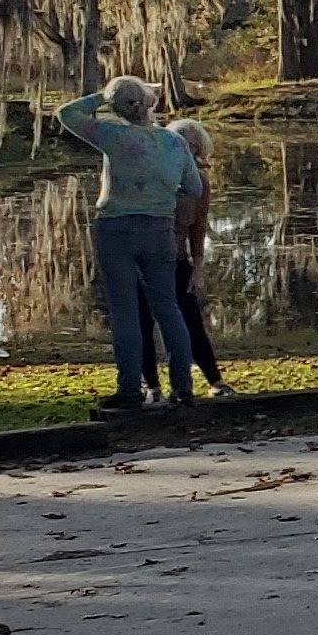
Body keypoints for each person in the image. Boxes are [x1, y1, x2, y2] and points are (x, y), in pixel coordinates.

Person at [56, 77, 197, 411]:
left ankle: (130, 390)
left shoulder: (114, 136)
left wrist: (102, 97)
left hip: (116, 228)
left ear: (116, 107)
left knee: (125, 311)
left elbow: (66, 114)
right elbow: (193, 188)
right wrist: (173, 217)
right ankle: (183, 387)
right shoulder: (175, 143)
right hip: (161, 228)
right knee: (168, 308)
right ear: (149, 103)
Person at [163, 118, 231, 399]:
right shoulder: (158, 177)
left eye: (191, 145)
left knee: (191, 319)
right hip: (148, 257)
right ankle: (153, 387)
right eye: (179, 142)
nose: (187, 149)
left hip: (178, 259)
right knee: (144, 321)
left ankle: (214, 381)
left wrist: (198, 267)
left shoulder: (199, 183)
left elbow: (199, 226)